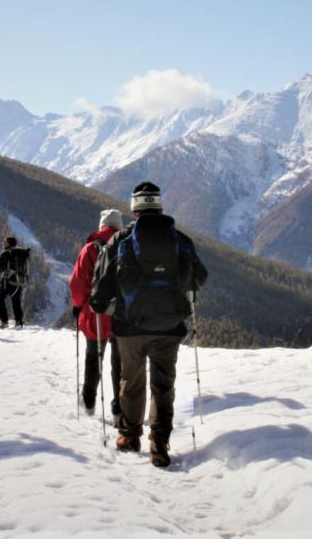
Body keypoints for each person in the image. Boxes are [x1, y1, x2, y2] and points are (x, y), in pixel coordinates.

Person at [90, 182, 208, 467]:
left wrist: (102, 305)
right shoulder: (180, 240)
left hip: (130, 326)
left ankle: (130, 435)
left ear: (134, 210)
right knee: (163, 384)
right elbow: (199, 276)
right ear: (160, 207)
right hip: (169, 325)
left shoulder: (119, 240)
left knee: (131, 381)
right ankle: (160, 441)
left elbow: (101, 284)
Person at [70, 209, 123, 426]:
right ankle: (120, 410)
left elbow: (78, 283)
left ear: (101, 226)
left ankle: (89, 402)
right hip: (122, 314)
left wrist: (78, 307)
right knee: (119, 363)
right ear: (119, 226)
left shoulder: (90, 248)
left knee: (93, 359)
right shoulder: (127, 246)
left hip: (96, 314)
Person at [0, 236, 28, 329]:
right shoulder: (21, 253)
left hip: (6, 281)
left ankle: (4, 322)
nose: (3, 243)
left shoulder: (6, 253)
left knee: (0, 300)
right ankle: (19, 322)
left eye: (5, 242)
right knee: (16, 302)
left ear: (9, 243)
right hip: (18, 281)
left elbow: (0, 268)